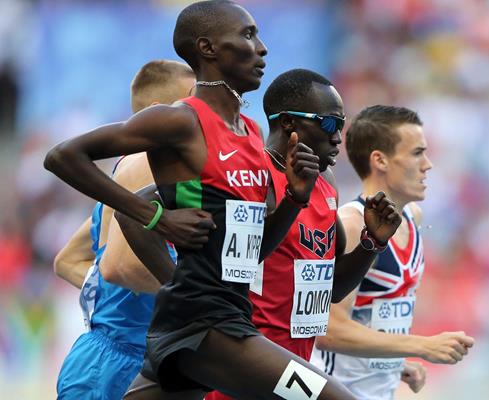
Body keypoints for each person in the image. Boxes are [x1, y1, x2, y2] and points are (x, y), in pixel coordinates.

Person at [44, 2, 389, 398]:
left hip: (215, 321)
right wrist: (157, 218)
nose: (262, 48)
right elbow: (64, 156)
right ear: (208, 48)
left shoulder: (249, 132)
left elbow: (251, 253)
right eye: (247, 35)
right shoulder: (180, 121)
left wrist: (294, 199)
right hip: (205, 327)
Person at [115, 69, 403, 400]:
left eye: (341, 125)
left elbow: (332, 289)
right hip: (240, 364)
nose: (338, 137)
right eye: (328, 124)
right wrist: (180, 288)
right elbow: (132, 211)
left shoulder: (324, 185)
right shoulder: (251, 174)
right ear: (289, 125)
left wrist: (372, 242)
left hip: (290, 364)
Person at [53, 59, 202, 399]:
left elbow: (69, 261)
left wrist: (116, 305)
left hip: (130, 354)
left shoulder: (140, 181)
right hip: (119, 362)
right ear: (156, 112)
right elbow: (119, 267)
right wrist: (200, 297)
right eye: (190, 103)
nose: (199, 116)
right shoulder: (145, 162)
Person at [310, 105, 476, 399]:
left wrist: (394, 362)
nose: (428, 165)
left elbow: (373, 317)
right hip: (335, 391)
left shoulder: (414, 216)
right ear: (380, 160)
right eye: (416, 153)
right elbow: (328, 331)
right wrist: (422, 345)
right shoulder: (351, 224)